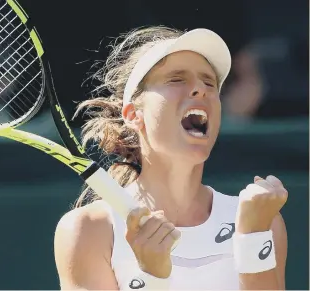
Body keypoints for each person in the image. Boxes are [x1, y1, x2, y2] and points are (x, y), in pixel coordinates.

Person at [54, 26, 288, 290]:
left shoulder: (261, 220)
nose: (200, 89)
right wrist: (152, 277)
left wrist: (254, 237)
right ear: (133, 115)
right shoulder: (88, 230)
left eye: (209, 83)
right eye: (177, 79)